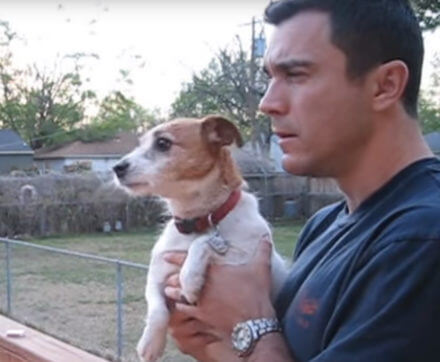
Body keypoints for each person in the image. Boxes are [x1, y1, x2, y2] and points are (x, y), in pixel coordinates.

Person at [163, 0, 440, 361]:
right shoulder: (324, 225)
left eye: (295, 75)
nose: (267, 103)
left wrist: (251, 325)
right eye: (270, 78)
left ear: (385, 86)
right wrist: (216, 343)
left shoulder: (422, 238)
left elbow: (263, 339)